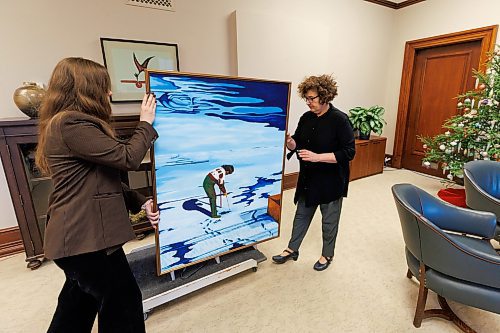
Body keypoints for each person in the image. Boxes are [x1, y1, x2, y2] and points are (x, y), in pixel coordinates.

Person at [35, 57, 160, 333]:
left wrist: (141, 201)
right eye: (105, 86)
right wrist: (146, 123)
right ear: (85, 89)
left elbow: (101, 181)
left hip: (79, 241)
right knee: (123, 303)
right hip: (85, 240)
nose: (110, 93)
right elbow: (128, 158)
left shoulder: (70, 124)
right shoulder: (70, 124)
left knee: (78, 304)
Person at [272, 74, 355, 271]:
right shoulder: (306, 118)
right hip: (308, 178)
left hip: (331, 180)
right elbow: (298, 144)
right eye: (307, 98)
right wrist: (290, 142)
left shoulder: (340, 120)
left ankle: (327, 254)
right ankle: (292, 249)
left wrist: (318, 157)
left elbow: (349, 152)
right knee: (301, 214)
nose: (309, 102)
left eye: (312, 99)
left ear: (325, 97)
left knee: (329, 221)